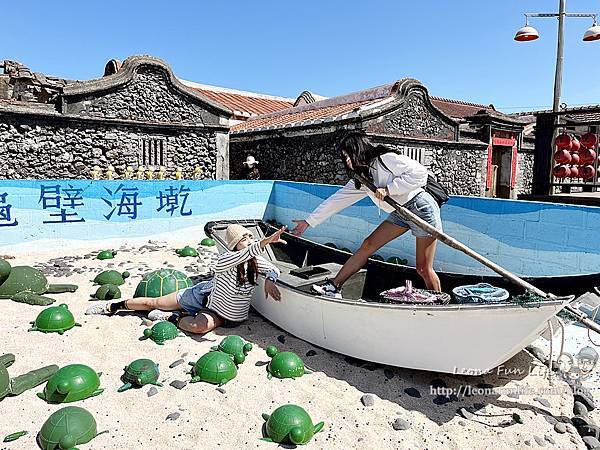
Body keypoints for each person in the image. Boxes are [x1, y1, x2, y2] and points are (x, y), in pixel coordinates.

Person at [291, 130, 443, 298]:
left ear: (357, 150)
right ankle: (334, 286)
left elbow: (420, 173)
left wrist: (388, 189)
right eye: (344, 157)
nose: (346, 161)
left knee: (423, 268)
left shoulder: (385, 159)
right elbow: (336, 200)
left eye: (347, 155)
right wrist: (309, 221)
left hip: (420, 208)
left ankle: (438, 303)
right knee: (368, 245)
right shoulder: (362, 179)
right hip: (399, 212)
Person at [86, 224, 285, 334]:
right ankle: (111, 307)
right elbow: (247, 253)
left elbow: (274, 269)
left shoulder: (255, 260)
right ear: (234, 245)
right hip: (202, 298)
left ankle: (172, 317)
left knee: (198, 328)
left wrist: (270, 279)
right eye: (245, 239)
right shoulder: (225, 259)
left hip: (230, 316)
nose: (250, 241)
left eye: (251, 237)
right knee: (152, 302)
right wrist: (265, 241)